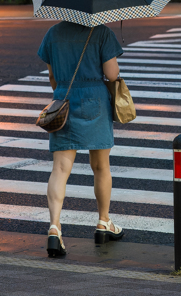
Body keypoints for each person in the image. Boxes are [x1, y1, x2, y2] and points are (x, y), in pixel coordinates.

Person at [38, 20, 124, 257]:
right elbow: (111, 74)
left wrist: (65, 87)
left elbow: (52, 77)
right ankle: (103, 222)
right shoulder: (102, 33)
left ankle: (54, 228)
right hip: (95, 101)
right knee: (101, 166)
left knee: (60, 169)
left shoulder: (53, 33)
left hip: (63, 102)